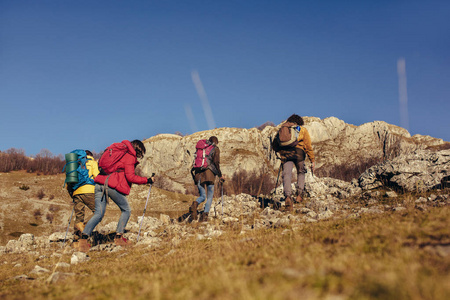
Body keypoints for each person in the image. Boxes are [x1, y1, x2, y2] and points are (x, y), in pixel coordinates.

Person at [77, 140, 155, 252]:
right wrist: (147, 180)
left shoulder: (119, 153)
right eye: (140, 153)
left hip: (99, 184)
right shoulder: (129, 156)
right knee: (126, 210)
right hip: (110, 185)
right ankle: (118, 238)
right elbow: (130, 177)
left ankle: (83, 242)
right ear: (138, 150)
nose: (139, 156)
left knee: (98, 214)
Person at [279, 114, 315, 212]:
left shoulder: (284, 128)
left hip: (286, 153)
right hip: (299, 153)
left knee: (286, 174)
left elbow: (276, 143)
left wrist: (279, 152)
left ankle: (287, 197)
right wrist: (312, 160)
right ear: (299, 121)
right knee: (301, 172)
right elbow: (308, 146)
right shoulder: (302, 130)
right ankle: (299, 195)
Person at [189, 136, 224, 222]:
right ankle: (204, 216)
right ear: (216, 142)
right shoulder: (215, 148)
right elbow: (216, 162)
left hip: (198, 175)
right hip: (209, 175)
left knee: (202, 196)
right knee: (209, 196)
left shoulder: (201, 149)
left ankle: (195, 204)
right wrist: (220, 175)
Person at [69, 150, 99, 238]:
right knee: (99, 212)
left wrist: (72, 194)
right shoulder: (92, 163)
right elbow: (97, 177)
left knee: (79, 217)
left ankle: (76, 238)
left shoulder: (75, 164)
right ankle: (85, 226)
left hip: (76, 193)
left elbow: (68, 184)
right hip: (89, 191)